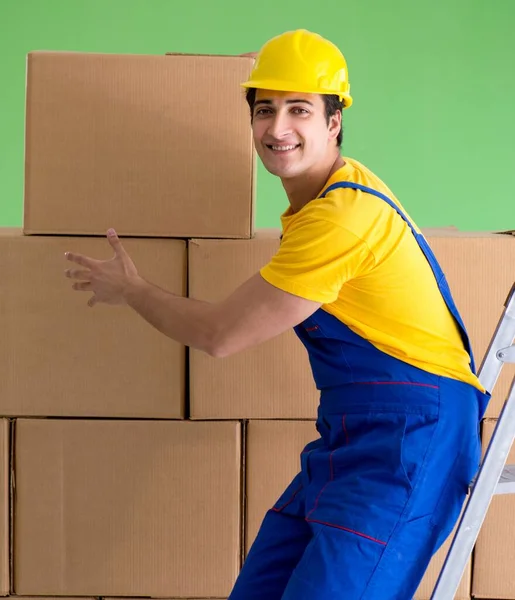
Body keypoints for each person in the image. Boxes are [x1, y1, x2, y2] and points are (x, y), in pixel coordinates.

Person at [64, 29, 490, 600]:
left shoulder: (339, 220)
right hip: (350, 436)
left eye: (299, 110)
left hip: (411, 438)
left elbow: (220, 334)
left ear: (334, 122)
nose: (277, 128)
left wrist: (133, 289)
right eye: (264, 110)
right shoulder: (330, 195)